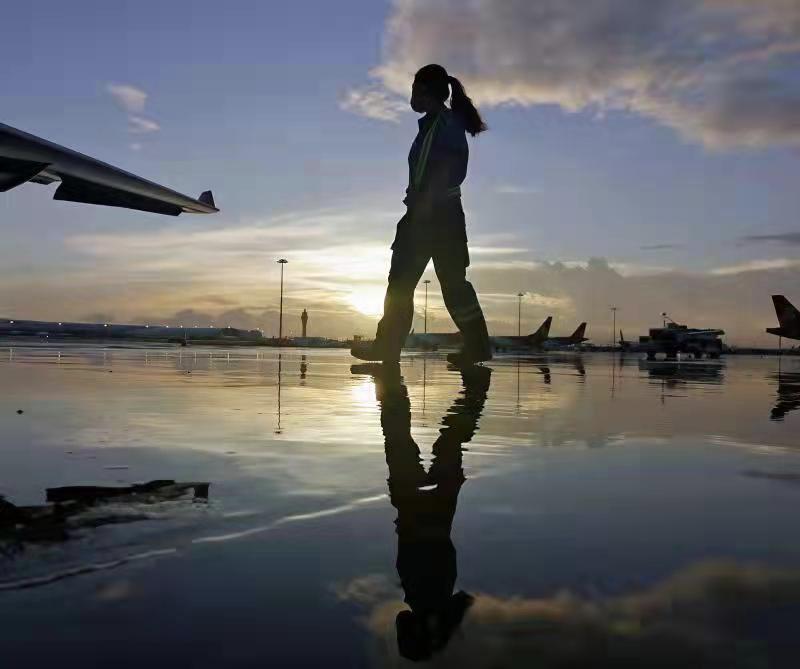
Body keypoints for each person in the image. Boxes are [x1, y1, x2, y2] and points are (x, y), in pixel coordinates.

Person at [351, 64, 492, 367]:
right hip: (431, 214)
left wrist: (424, 199)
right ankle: (388, 346)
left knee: (443, 284)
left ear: (425, 91)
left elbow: (452, 169)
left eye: (415, 88)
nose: (411, 95)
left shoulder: (445, 124)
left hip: (436, 216)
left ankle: (476, 347)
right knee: (408, 283)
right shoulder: (432, 126)